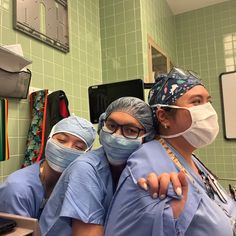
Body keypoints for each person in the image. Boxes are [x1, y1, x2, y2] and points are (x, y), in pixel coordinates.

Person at [104, 67, 236, 236]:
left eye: (208, 101)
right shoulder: (148, 164)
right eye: (196, 102)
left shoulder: (189, 156)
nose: (208, 110)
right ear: (163, 117)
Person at [39, 97, 187, 236]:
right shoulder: (86, 170)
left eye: (130, 130)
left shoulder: (137, 169)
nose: (116, 135)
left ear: (147, 137)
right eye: (111, 126)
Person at [0, 116, 96, 219]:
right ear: (49, 139)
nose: (66, 148)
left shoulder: (82, 187)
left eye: (78, 147)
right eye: (61, 140)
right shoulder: (18, 189)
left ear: (87, 154)